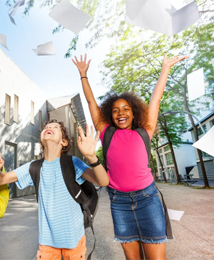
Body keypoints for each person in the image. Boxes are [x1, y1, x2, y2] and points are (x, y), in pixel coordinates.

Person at [72, 53, 187, 260]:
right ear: (110, 115)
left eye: (126, 109)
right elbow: (90, 102)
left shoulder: (145, 131)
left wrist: (165, 69)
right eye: (115, 110)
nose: (121, 113)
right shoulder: (106, 132)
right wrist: (83, 75)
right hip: (119, 202)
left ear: (134, 113)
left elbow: (156, 98)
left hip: (148, 200)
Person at [0, 120, 109, 260]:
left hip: (74, 237)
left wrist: (92, 157)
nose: (49, 127)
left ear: (64, 142)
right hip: (47, 241)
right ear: (41, 143)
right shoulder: (34, 167)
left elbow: (103, 181)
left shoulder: (72, 162)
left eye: (56, 127)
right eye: (46, 127)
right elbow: (1, 180)